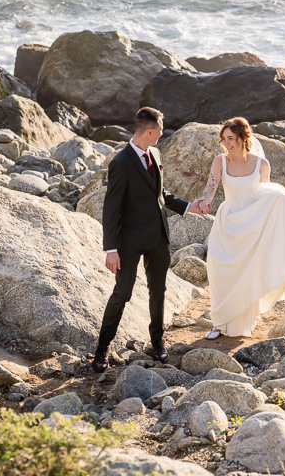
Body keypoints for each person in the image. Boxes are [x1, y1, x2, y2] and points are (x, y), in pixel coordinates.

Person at [92, 106, 204, 372]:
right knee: (123, 292)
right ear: (150, 130)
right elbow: (112, 208)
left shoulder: (155, 152)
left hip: (157, 237)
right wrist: (111, 248)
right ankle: (102, 348)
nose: (163, 135)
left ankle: (157, 341)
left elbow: (160, 195)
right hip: (129, 241)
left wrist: (189, 206)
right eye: (161, 130)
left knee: (159, 291)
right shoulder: (120, 163)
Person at [197, 116, 285, 339]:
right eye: (224, 139)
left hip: (252, 226)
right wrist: (205, 201)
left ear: (244, 138)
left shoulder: (261, 164)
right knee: (220, 271)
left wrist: (283, 200)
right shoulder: (220, 161)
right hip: (228, 223)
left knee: (249, 273)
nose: (227, 143)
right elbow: (210, 188)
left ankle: (245, 318)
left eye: (232, 138)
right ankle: (219, 322)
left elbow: (264, 195)